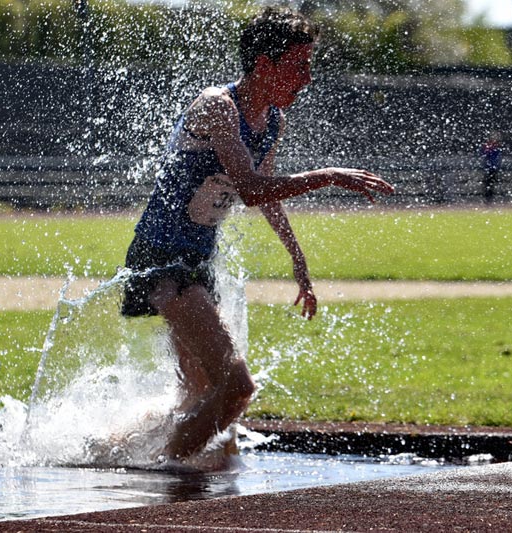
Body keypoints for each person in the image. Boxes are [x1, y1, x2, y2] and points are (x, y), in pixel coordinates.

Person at [120, 7, 394, 465]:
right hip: (162, 259)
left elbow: (266, 195)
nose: (307, 78)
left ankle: (122, 453)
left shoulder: (271, 120)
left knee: (199, 396)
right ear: (264, 64)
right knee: (237, 390)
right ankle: (159, 470)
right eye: (298, 66)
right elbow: (249, 188)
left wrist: (297, 259)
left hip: (196, 263)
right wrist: (327, 176)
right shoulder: (217, 107)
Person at [480, 132, 502, 204]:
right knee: (488, 184)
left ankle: (489, 198)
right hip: (490, 168)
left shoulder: (495, 147)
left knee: (490, 184)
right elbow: (484, 154)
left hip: (492, 168)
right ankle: (488, 198)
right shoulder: (489, 147)